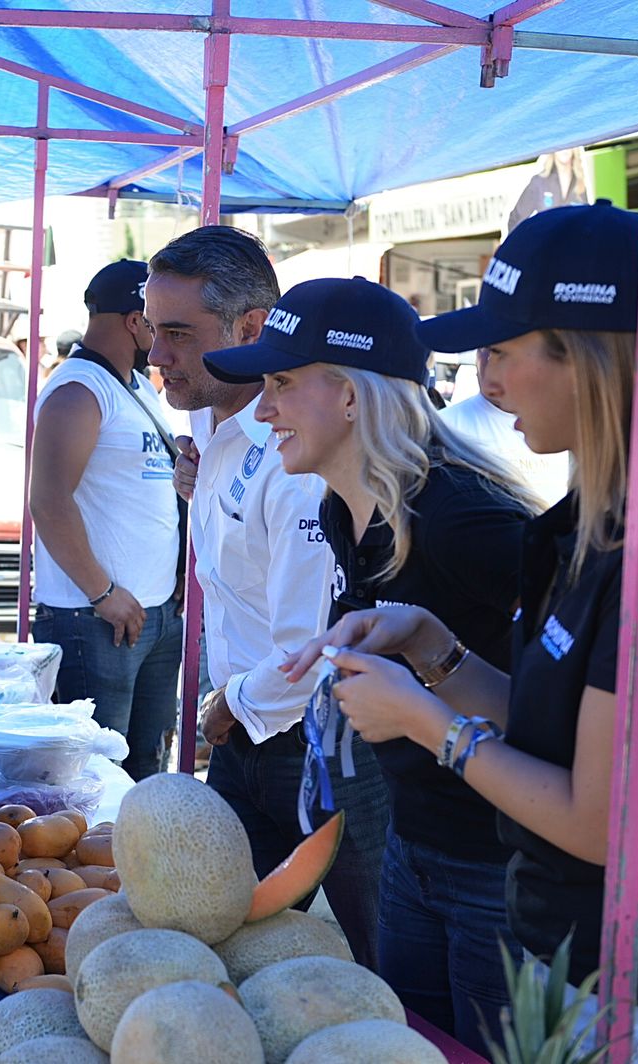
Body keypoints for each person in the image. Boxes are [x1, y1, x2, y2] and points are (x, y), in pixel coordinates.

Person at [286, 202, 638, 1060]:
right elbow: (550, 727)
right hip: (568, 970)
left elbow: (601, 819)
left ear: (588, 361)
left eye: (503, 353)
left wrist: (425, 722)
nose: (486, 384)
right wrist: (432, 647)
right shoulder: (589, 525)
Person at [204, 276, 539, 1049]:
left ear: (350, 397)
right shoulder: (338, 507)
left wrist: (430, 703)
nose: (263, 408)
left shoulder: (464, 518)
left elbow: (568, 713)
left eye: (282, 384)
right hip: (411, 854)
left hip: (498, 871)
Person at [146, 227, 389, 968]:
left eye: (178, 335)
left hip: (312, 741)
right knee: (216, 955)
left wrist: (231, 703)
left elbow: (311, 651)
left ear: (251, 328)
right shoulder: (208, 423)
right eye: (153, 331)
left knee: (387, 972)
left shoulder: (296, 458)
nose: (156, 355)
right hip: (245, 734)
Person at [29, 259, 182, 780]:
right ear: (135, 321)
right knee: (94, 780)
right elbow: (48, 501)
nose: (163, 338)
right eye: (158, 322)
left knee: (144, 772)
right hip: (94, 618)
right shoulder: (78, 390)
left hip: (150, 613)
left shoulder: (136, 386)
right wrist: (102, 593)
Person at [441, 346, 571, 506]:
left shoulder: (568, 425)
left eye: (501, 353)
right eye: (484, 350)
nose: (489, 366)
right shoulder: (444, 427)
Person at [506, 147, 590, 234]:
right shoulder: (539, 182)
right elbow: (515, 220)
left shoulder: (580, 186)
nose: (564, 149)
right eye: (560, 144)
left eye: (568, 144)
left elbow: (586, 224)